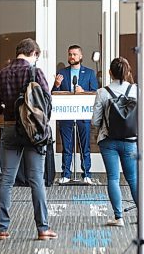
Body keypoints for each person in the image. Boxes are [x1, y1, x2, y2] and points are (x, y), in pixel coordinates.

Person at [0, 38, 57, 240]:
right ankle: (43, 229)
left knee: (7, 179)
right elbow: (46, 102)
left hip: (10, 128)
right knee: (36, 179)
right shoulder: (34, 72)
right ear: (33, 53)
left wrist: (9, 109)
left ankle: (2, 228)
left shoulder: (1, 74)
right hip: (33, 132)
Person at [91, 57, 138, 227]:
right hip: (130, 141)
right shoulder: (135, 91)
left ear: (110, 73)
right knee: (132, 178)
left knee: (113, 178)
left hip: (108, 140)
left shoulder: (102, 92)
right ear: (128, 72)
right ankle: (142, 216)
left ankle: (118, 217)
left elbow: (95, 122)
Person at [52, 45, 98, 184]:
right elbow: (53, 93)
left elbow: (95, 92)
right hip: (66, 115)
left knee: (85, 146)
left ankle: (87, 175)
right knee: (67, 146)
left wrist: (83, 91)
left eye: (75, 54)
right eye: (70, 54)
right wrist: (56, 84)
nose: (72, 57)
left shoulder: (89, 73)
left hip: (83, 114)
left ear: (81, 56)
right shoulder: (62, 72)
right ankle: (66, 174)